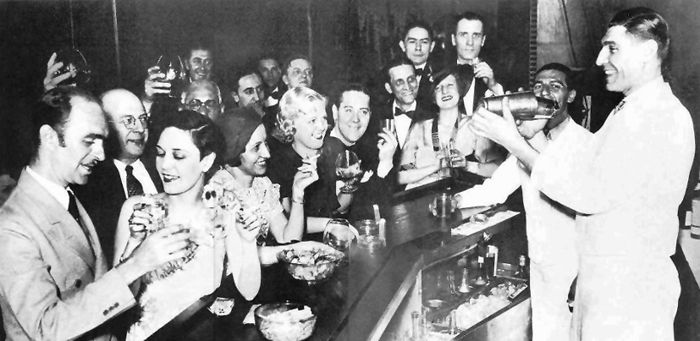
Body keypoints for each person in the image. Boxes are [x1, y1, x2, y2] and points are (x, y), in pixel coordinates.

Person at [470, 8, 694, 340]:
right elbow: (581, 168)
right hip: (609, 282)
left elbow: (586, 193)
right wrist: (531, 136)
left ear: (648, 50)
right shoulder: (631, 110)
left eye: (612, 48)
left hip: (628, 292)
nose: (601, 58)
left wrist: (513, 143)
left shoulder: (656, 117)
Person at [0, 86, 191, 340]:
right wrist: (136, 264)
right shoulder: (12, 226)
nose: (101, 155)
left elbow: (98, 289)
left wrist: (134, 246)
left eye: (102, 141)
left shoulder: (67, 196)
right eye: (89, 141)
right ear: (48, 137)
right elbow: (45, 328)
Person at [456, 63, 580, 341]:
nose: (544, 92)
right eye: (538, 86)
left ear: (570, 96)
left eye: (555, 86)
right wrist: (456, 200)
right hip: (539, 268)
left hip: (573, 271)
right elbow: (495, 189)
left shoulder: (584, 144)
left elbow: (585, 211)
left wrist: (582, 274)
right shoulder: (527, 144)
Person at [113, 109, 261, 340]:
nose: (165, 166)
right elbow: (117, 303)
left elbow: (249, 291)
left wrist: (248, 242)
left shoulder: (222, 209)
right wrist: (134, 243)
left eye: (178, 156)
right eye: (161, 154)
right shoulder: (136, 210)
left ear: (206, 161)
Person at [73, 89, 163, 265]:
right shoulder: (88, 183)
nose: (140, 129)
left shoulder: (164, 165)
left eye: (143, 119)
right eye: (128, 121)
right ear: (105, 127)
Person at [267, 86, 348, 230]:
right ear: (290, 125)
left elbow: (339, 207)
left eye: (323, 118)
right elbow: (287, 221)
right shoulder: (278, 163)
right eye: (312, 121)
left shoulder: (334, 148)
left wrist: (350, 186)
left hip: (333, 232)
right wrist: (331, 225)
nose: (321, 126)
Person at [399, 66, 492, 189]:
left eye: (450, 85)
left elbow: (497, 169)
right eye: (438, 88)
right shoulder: (419, 128)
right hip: (418, 195)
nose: (444, 91)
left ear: (460, 90)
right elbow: (402, 175)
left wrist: (468, 165)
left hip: (458, 196)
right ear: (433, 96)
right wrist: (436, 166)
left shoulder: (474, 125)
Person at [327, 84, 398, 219]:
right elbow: (332, 212)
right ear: (335, 112)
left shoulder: (371, 150)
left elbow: (382, 206)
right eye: (349, 110)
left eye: (363, 112)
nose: (356, 119)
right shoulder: (319, 151)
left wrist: (386, 162)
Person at [399, 20, 438, 109]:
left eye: (424, 42)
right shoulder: (389, 76)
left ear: (432, 46)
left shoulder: (441, 77)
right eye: (412, 42)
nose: (418, 48)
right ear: (402, 45)